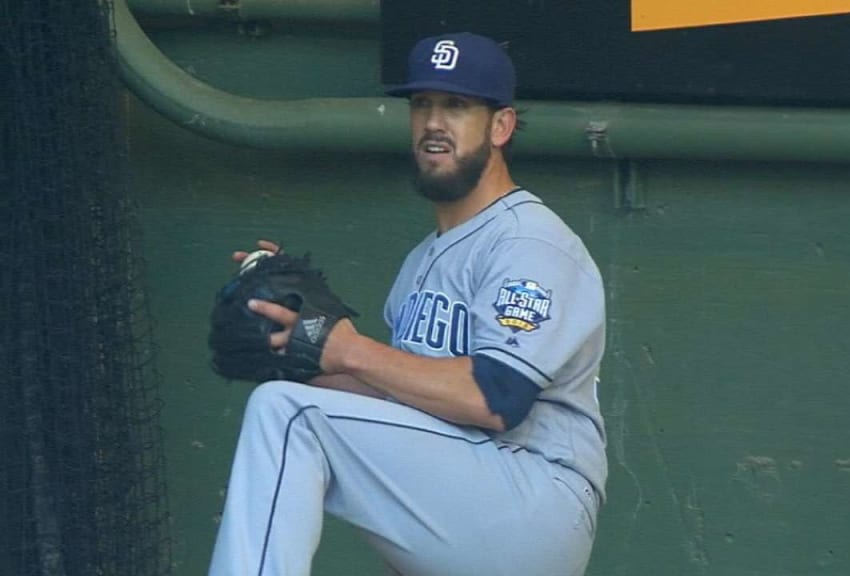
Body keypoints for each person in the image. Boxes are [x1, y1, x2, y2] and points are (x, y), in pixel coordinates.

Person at [208, 32, 607, 576]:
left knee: (286, 413)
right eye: (423, 105)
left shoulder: (528, 241)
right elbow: (403, 407)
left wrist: (347, 348)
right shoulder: (422, 262)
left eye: (457, 106)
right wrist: (296, 340)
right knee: (293, 399)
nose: (434, 123)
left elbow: (497, 398)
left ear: (501, 126)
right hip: (473, 502)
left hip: (536, 496)